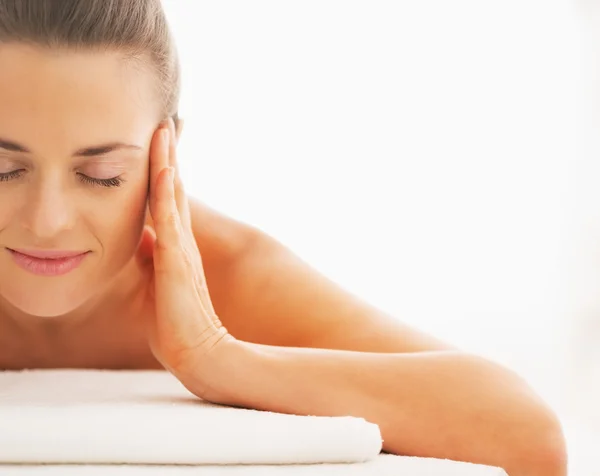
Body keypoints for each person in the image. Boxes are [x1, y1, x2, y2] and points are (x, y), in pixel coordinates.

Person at [0, 1, 567, 475]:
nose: (48, 220)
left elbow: (528, 438)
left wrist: (214, 357)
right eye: (3, 170)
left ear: (162, 155)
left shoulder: (232, 275)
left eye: (102, 177)